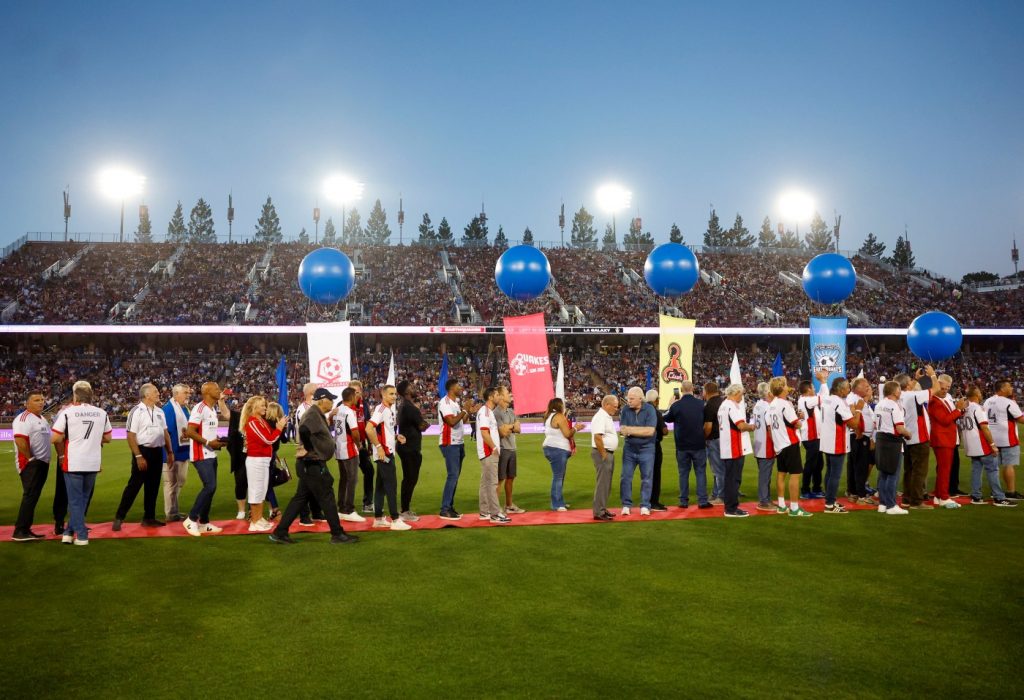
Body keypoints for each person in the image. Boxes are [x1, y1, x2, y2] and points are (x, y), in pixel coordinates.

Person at [270, 387, 359, 544]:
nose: (332, 402)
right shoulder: (312, 414)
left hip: (309, 464)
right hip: (312, 463)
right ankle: (337, 533)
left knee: (300, 498)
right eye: (330, 399)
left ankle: (280, 532)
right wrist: (312, 449)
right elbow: (304, 429)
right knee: (327, 495)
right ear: (322, 400)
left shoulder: (316, 413)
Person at [50, 381, 112, 545]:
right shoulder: (101, 412)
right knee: (83, 499)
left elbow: (55, 438)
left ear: (76, 396)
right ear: (91, 396)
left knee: (75, 500)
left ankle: (82, 535)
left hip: (74, 461)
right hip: (93, 461)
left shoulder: (68, 412)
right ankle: (68, 532)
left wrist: (71, 437)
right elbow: (108, 438)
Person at [113, 383, 174, 531]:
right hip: (143, 451)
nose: (159, 393)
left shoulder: (159, 411)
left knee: (153, 486)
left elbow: (165, 433)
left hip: (157, 452)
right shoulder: (136, 411)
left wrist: (170, 452)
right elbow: (131, 435)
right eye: (155, 392)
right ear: (147, 395)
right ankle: (119, 517)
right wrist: (138, 456)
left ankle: (149, 518)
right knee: (134, 485)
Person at [182, 382, 227, 537]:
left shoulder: (212, 409)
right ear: (207, 391)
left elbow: (207, 432)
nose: (219, 390)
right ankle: (191, 519)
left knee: (211, 488)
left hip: (211, 453)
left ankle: (205, 522)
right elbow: (189, 431)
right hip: (200, 454)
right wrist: (208, 443)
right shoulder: (199, 408)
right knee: (210, 486)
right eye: (216, 388)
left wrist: (219, 442)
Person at [959, 385, 1015, 507]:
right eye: (979, 391)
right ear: (976, 394)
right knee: (993, 470)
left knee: (976, 470)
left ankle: (976, 496)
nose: (981, 393)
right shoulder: (977, 408)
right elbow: (984, 427)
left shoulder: (964, 409)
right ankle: (999, 498)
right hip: (982, 445)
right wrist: (993, 444)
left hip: (971, 446)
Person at [366, 384, 412, 530]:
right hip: (384, 454)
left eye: (395, 394)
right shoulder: (380, 410)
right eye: (391, 394)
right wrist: (378, 447)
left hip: (387, 452)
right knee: (391, 486)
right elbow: (369, 428)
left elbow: (384, 431)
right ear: (383, 395)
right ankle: (395, 519)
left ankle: (378, 519)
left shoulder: (388, 410)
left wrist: (397, 436)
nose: (394, 396)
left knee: (380, 487)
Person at [818, 370, 863, 514]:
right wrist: (858, 410)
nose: (849, 390)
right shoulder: (838, 401)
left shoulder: (827, 398)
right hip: (837, 442)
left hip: (827, 441)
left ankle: (829, 500)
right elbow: (854, 424)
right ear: (840, 389)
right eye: (847, 388)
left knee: (829, 472)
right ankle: (830, 504)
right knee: (835, 475)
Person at [664, 381, 712, 509]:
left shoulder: (676, 406)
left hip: (682, 446)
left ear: (680, 390)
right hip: (699, 444)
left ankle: (683, 501)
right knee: (701, 472)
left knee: (683, 473)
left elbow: (666, 418)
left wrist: (670, 405)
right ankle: (702, 501)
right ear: (693, 389)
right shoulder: (701, 404)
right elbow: (707, 424)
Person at [767, 376, 810, 517]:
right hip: (789, 442)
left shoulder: (771, 405)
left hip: (779, 444)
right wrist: (802, 419)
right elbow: (796, 423)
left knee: (781, 474)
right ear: (781, 387)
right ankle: (794, 507)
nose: (787, 387)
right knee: (795, 475)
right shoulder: (785, 404)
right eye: (785, 385)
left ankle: (781, 505)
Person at [12, 391, 51, 541]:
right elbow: (20, 441)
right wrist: (31, 459)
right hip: (30, 464)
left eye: (42, 399)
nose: (41, 402)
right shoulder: (23, 419)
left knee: (33, 496)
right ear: (27, 404)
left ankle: (26, 529)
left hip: (41, 463)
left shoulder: (42, 418)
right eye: (36, 400)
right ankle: (20, 531)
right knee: (30, 496)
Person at [241, 395, 282, 531]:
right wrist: (279, 428)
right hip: (256, 460)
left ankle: (258, 518)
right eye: (262, 405)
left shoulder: (260, 421)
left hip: (263, 460)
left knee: (262, 491)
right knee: (256, 491)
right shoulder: (253, 422)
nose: (265, 407)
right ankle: (254, 521)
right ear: (254, 408)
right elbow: (268, 439)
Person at [928, 374, 966, 509]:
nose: (945, 391)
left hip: (946, 438)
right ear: (937, 385)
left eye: (947, 388)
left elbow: (950, 417)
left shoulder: (943, 400)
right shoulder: (934, 401)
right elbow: (944, 420)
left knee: (944, 469)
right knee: (945, 469)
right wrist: (958, 409)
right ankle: (944, 497)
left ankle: (939, 496)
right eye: (943, 388)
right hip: (942, 438)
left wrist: (960, 410)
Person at [618, 386, 658, 516]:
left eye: (631, 398)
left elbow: (650, 431)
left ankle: (645, 505)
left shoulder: (650, 409)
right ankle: (626, 505)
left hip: (647, 449)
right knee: (625, 477)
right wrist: (639, 430)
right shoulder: (625, 410)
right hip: (629, 449)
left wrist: (631, 430)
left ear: (640, 399)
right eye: (628, 398)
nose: (628, 401)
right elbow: (623, 430)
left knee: (646, 478)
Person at [717, 384, 755, 517]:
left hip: (728, 446)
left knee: (730, 479)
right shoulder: (731, 406)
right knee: (734, 479)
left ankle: (730, 506)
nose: (742, 396)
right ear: (736, 392)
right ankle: (731, 508)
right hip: (734, 447)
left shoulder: (723, 405)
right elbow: (741, 425)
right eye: (741, 394)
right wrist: (752, 426)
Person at [438, 378, 473, 520]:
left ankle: (449, 507)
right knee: (452, 475)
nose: (461, 387)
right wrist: (464, 409)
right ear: (451, 388)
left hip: (458, 442)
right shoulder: (444, 402)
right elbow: (451, 422)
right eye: (458, 385)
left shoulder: (455, 403)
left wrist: (468, 411)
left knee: (455, 476)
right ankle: (445, 509)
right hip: (449, 442)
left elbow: (462, 421)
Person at [983, 379, 1024, 500]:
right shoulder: (1008, 402)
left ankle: (994, 491)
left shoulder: (987, 401)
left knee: (994, 467)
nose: (1011, 388)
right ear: (1002, 389)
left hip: (991, 438)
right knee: (1009, 465)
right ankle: (1010, 492)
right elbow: (1020, 418)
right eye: (1009, 386)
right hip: (1007, 438)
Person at [874, 381, 911, 515]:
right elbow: (900, 428)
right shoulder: (894, 406)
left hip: (881, 440)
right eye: (899, 389)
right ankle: (891, 505)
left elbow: (874, 424)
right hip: (892, 442)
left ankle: (883, 504)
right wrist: (909, 434)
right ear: (894, 391)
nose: (900, 391)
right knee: (892, 475)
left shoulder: (879, 404)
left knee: (884, 474)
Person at [476, 387, 510, 523]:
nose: (499, 397)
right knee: (492, 483)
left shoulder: (487, 412)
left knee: (485, 483)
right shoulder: (485, 412)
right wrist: (494, 447)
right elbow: (484, 433)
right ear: (490, 397)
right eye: (496, 395)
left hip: (487, 452)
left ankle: (484, 512)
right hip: (489, 452)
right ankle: (495, 514)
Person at [396, 380, 428, 522]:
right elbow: (422, 426)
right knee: (410, 479)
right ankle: (404, 510)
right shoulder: (410, 407)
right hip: (410, 448)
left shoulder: (404, 406)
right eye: (411, 387)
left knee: (409, 479)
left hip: (407, 447)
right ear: (407, 392)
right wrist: (424, 422)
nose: (414, 388)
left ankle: (405, 508)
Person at [293, 381, 325, 524]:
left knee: (315, 483)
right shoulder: (304, 409)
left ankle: (316, 512)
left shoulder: (311, 408)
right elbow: (304, 430)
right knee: (305, 485)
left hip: (314, 451)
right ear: (311, 394)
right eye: (317, 391)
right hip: (307, 452)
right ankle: (304, 516)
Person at [333, 387, 366, 523]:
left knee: (344, 479)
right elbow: (355, 432)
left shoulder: (338, 409)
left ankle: (341, 508)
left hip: (339, 448)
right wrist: (358, 444)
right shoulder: (350, 412)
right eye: (356, 395)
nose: (357, 397)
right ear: (351, 397)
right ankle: (349, 509)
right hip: (349, 448)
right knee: (352, 479)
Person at [542, 397, 581, 511]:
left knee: (559, 476)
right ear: (559, 405)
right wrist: (576, 428)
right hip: (557, 448)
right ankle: (557, 504)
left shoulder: (548, 416)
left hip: (551, 447)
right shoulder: (559, 416)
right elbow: (567, 434)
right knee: (558, 477)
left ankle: (559, 501)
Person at [161, 383, 192, 522]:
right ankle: (170, 513)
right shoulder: (167, 410)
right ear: (176, 394)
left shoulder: (184, 409)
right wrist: (169, 452)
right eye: (185, 393)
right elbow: (164, 432)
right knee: (170, 483)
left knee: (180, 482)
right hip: (171, 453)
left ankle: (174, 510)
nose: (188, 395)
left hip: (184, 451)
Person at [494, 386, 525, 516]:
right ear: (501, 396)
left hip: (512, 447)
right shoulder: (496, 413)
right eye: (507, 393)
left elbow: (518, 429)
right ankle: (495, 508)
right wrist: (511, 427)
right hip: (502, 449)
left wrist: (509, 427)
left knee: (511, 478)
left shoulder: (511, 411)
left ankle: (509, 505)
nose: (510, 395)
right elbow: (503, 432)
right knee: (500, 479)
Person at [846, 377, 876, 505]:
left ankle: (853, 493)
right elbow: (852, 414)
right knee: (860, 467)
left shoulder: (857, 399)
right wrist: (858, 430)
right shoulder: (853, 399)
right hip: (859, 436)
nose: (868, 388)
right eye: (866, 386)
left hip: (861, 436)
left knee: (855, 466)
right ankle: (861, 496)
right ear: (857, 388)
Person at [590, 394, 620, 521]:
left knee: (606, 483)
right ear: (607, 405)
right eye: (614, 406)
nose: (616, 409)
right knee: (603, 483)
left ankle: (602, 508)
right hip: (602, 452)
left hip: (606, 452)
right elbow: (597, 437)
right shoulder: (600, 417)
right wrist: (604, 455)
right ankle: (599, 512)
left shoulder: (605, 416)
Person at [348, 379, 376, 514]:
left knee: (369, 471)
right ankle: (347, 506)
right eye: (354, 392)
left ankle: (368, 503)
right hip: (349, 445)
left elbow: (367, 424)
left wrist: (370, 444)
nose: (356, 394)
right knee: (349, 476)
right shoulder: (343, 406)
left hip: (362, 445)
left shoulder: (363, 405)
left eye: (358, 392)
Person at [751, 382, 776, 513]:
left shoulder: (757, 405)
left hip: (758, 442)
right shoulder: (768, 407)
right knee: (765, 475)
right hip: (766, 444)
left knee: (764, 474)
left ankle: (766, 498)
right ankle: (764, 501)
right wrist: (776, 444)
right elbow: (769, 427)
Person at [797, 380, 825, 499]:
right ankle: (805, 490)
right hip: (810, 436)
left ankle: (816, 488)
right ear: (808, 389)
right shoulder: (806, 400)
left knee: (818, 464)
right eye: (813, 387)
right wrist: (823, 381)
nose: (814, 389)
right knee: (811, 464)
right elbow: (824, 396)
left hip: (815, 436)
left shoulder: (806, 400)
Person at [646, 389, 669, 511]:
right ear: (656, 400)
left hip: (642, 446)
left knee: (646, 475)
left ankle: (645, 501)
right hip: (654, 446)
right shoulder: (655, 412)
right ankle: (653, 501)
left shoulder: (641, 410)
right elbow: (664, 431)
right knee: (655, 474)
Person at [703, 382, 726, 505]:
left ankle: (721, 497)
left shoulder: (710, 405)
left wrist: (704, 438)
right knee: (721, 468)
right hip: (725, 438)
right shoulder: (724, 402)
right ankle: (716, 493)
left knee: (718, 470)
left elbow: (708, 427)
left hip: (714, 439)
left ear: (706, 391)